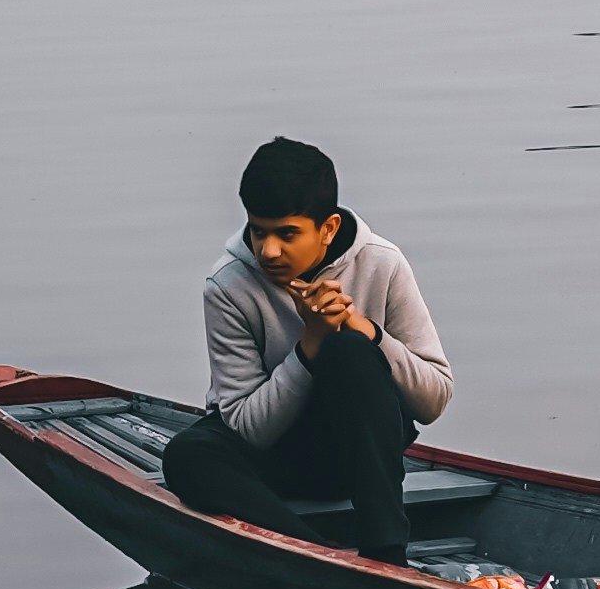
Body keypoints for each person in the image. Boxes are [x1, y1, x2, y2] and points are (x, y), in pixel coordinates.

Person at [163, 137, 454, 564]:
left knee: (349, 350)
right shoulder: (228, 286)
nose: (269, 251)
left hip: (361, 454)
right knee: (186, 456)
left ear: (328, 228)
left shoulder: (383, 264)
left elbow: (434, 400)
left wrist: (366, 330)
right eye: (259, 232)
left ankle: (387, 554)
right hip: (272, 458)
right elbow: (249, 427)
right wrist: (310, 344)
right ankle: (315, 553)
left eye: (287, 234)